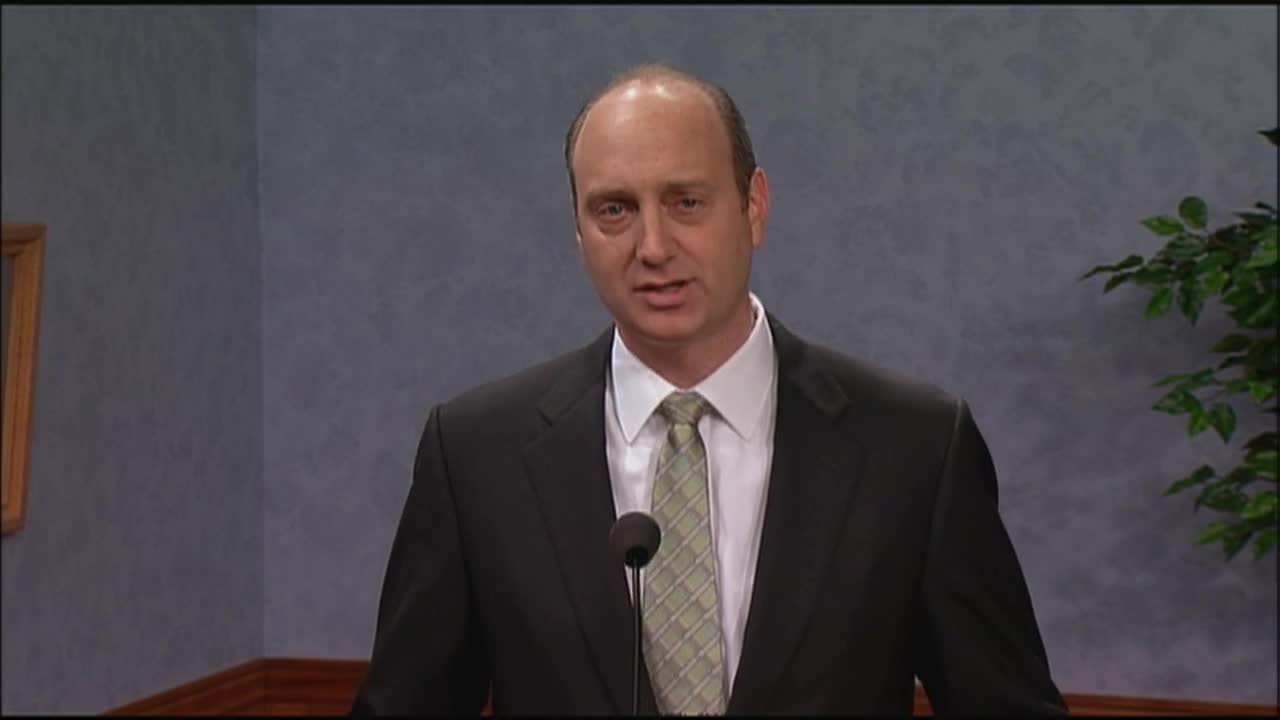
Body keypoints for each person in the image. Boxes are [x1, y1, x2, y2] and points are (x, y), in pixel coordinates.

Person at [350, 63, 1067, 716]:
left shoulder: (914, 448)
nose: (653, 247)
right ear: (578, 231)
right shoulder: (478, 455)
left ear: (754, 206)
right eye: (614, 210)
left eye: (686, 202)